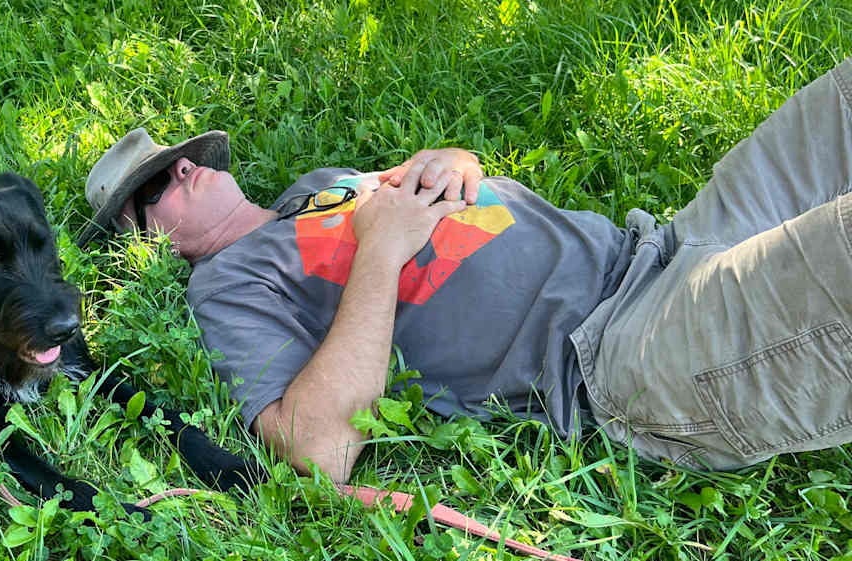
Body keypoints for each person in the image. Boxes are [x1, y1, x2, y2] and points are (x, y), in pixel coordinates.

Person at [76, 57, 852, 483]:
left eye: (178, 162)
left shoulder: (314, 187)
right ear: (148, 243)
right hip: (628, 352)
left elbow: (440, 186)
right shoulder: (224, 286)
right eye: (154, 187)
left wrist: (455, 162)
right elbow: (314, 447)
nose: (181, 173)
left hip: (662, 245)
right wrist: (379, 251)